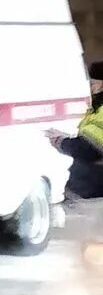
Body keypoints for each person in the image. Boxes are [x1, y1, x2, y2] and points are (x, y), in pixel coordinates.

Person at [48, 72, 103, 200]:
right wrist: (66, 138)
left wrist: (61, 142)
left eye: (93, 83)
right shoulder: (95, 108)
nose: (89, 86)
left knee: (74, 170)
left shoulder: (99, 108)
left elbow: (90, 146)